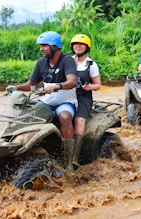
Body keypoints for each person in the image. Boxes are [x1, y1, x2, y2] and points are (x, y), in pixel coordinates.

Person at [10, 31, 78, 173]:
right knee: (26, 113)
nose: (41, 48)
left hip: (65, 102)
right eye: (40, 46)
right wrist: (16, 87)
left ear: (55, 46)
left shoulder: (67, 61)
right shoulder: (41, 63)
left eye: (45, 46)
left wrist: (57, 86)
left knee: (64, 117)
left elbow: (72, 82)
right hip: (46, 101)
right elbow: (31, 84)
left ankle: (69, 162)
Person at [70, 34, 101, 168]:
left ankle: (75, 157)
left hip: (83, 97)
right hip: (67, 95)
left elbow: (98, 85)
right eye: (75, 44)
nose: (78, 46)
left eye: (81, 44)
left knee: (79, 120)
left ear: (86, 47)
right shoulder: (68, 60)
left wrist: (89, 87)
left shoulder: (91, 64)